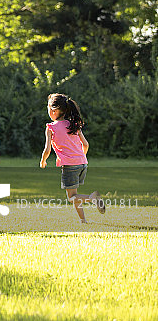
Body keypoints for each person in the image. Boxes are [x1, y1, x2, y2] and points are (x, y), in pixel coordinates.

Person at [40, 92, 105, 223]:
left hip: (70, 166)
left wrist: (43, 161)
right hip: (82, 164)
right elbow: (85, 144)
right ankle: (83, 221)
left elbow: (47, 149)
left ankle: (93, 198)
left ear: (53, 110)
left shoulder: (51, 128)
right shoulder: (73, 124)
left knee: (72, 197)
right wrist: (81, 157)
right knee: (75, 195)